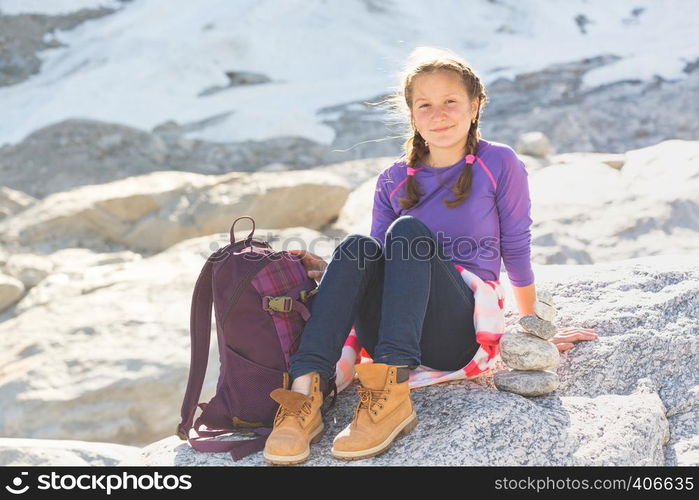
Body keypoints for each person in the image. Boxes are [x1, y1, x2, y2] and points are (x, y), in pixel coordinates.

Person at [263, 46, 598, 466]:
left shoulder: (499, 162)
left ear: (475, 106)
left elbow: (516, 246)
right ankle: (303, 397)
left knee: (407, 232)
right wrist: (335, 272)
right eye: (426, 105)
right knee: (356, 247)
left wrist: (533, 330)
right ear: (412, 114)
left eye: (451, 102)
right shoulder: (392, 178)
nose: (439, 115)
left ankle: (389, 397)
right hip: (391, 326)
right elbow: (379, 265)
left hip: (451, 335)